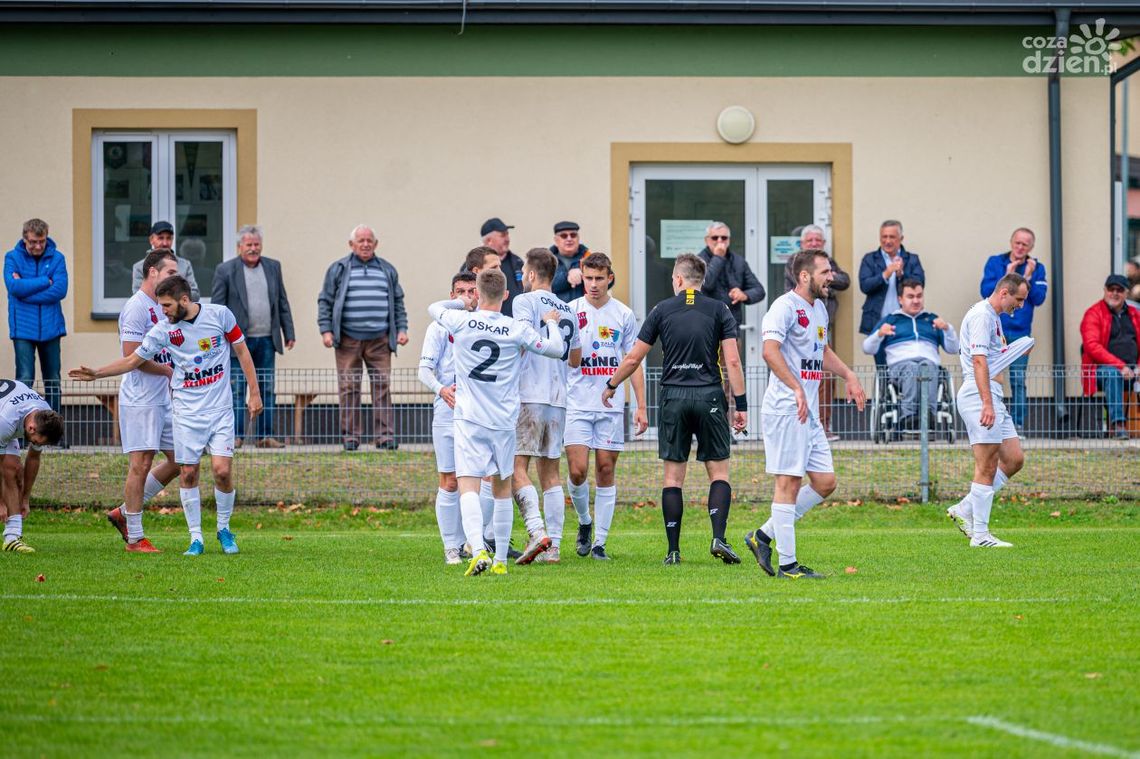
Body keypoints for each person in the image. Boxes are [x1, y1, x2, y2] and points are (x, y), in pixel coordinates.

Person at [70, 275, 263, 556]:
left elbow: (243, 352)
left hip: (220, 410)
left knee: (222, 472)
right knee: (187, 471)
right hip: (185, 411)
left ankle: (224, 529)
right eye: (161, 306)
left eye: (167, 305)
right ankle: (195, 538)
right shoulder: (163, 330)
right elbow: (132, 360)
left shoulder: (220, 315)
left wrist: (254, 393)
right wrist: (97, 373)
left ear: (185, 300)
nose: (163, 311)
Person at [603, 253, 744, 566]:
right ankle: (718, 537)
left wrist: (612, 385)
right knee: (718, 472)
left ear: (678, 280)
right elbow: (732, 361)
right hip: (709, 395)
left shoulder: (662, 310)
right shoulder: (719, 309)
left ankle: (673, 551)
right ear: (701, 280)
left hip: (673, 397)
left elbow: (632, 358)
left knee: (672, 477)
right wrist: (742, 405)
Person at [427, 268, 565, 576]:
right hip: (503, 420)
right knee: (502, 488)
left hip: (469, 417)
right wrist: (552, 324)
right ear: (505, 295)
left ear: (476, 293)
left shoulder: (460, 321)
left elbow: (434, 309)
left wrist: (462, 305)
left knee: (468, 485)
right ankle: (500, 559)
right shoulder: (515, 328)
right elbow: (557, 349)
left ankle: (477, 551)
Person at [745, 249, 866, 579]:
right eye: (826, 272)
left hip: (807, 412)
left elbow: (822, 350)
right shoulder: (783, 308)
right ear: (804, 276)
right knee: (788, 482)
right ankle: (788, 566)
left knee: (825, 482)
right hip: (787, 409)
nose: (832, 277)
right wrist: (796, 388)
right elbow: (769, 351)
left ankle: (763, 536)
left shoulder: (820, 309)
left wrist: (849, 375)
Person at [562, 253, 647, 562]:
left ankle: (599, 542)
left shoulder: (623, 314)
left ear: (610, 277)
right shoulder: (570, 311)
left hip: (610, 406)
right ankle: (585, 520)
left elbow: (633, 360)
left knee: (606, 469)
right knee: (577, 469)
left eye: (599, 278)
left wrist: (640, 405)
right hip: (576, 404)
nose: (594, 284)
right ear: (582, 278)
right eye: (589, 278)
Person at [104, 249, 182, 553]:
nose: (176, 277)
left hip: (163, 398)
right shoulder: (136, 307)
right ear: (153, 272)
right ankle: (135, 538)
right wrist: (165, 370)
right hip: (140, 399)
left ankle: (124, 512)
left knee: (181, 459)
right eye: (170, 272)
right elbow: (131, 355)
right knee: (140, 464)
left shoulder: (162, 306)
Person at [945, 273, 1030, 548]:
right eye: (1019, 299)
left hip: (992, 395)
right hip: (979, 395)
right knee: (987, 464)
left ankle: (965, 509)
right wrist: (987, 403)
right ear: (1004, 292)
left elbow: (993, 359)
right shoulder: (982, 315)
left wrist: (1019, 348)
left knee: (1014, 458)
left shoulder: (993, 317)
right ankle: (980, 535)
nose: (1021, 305)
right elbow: (979, 362)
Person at [511, 248, 582, 563]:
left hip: (529, 393)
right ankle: (552, 549)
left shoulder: (523, 301)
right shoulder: (568, 309)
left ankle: (537, 531)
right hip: (559, 397)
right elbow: (576, 358)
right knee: (550, 473)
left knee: (515, 468)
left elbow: (522, 340)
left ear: (529, 273)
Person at [318, 224, 408, 451]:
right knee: (349, 388)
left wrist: (402, 329)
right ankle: (351, 437)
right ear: (352, 244)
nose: (366, 244)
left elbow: (398, 302)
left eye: (370, 240)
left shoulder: (387, 269)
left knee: (382, 387)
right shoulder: (338, 268)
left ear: (376, 244)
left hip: (380, 341)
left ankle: (385, 437)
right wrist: (326, 330)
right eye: (361, 240)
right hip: (347, 340)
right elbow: (325, 301)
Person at [211, 225, 296, 449]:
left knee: (266, 388)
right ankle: (236, 436)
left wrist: (289, 332)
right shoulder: (226, 270)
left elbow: (282, 302)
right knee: (238, 388)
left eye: (256, 244)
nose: (253, 248)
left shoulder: (272, 267)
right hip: (238, 343)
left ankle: (265, 436)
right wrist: (218, 338)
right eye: (248, 245)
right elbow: (218, 308)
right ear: (240, 247)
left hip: (267, 339)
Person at [419, 272, 478, 565]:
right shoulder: (438, 327)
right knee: (450, 480)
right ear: (451, 295)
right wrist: (441, 389)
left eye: (471, 291)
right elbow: (424, 371)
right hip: (446, 411)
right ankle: (451, 546)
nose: (466, 296)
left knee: (484, 477)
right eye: (460, 291)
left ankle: (475, 541)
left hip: (479, 412)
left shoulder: (485, 325)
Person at [861, 278, 959, 430]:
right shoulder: (891, 319)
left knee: (927, 367)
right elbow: (867, 348)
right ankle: (908, 416)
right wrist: (879, 334)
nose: (916, 301)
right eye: (910, 297)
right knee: (912, 367)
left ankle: (929, 415)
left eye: (919, 296)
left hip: (929, 363)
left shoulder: (931, 319)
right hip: (900, 366)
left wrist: (947, 329)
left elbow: (953, 349)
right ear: (900, 299)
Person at [786, 225, 851, 441]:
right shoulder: (795, 264)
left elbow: (845, 280)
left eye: (818, 241)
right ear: (802, 244)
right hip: (800, 329)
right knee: (802, 373)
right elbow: (800, 287)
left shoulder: (826, 263)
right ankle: (801, 421)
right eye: (810, 240)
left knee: (825, 375)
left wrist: (825, 284)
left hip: (822, 328)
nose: (814, 244)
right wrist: (824, 288)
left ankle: (823, 425)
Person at [980, 228, 1048, 432]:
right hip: (995, 329)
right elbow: (985, 291)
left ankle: (1017, 425)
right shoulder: (995, 262)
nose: (1020, 247)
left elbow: (1039, 298)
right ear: (1011, 242)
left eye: (1025, 245)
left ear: (1031, 247)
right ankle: (990, 422)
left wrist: (1026, 278)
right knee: (991, 376)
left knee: (1018, 380)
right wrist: (1008, 275)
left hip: (1020, 332)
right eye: (1017, 243)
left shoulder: (1037, 268)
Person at [5, 218, 68, 420]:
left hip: (51, 328)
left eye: (42, 241)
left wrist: (25, 291)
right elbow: (13, 288)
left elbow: (60, 290)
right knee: (24, 380)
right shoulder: (12, 257)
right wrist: (44, 281)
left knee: (53, 381)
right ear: (25, 239)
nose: (38, 246)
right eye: (33, 242)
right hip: (23, 329)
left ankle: (54, 433)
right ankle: (21, 434)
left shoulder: (57, 258)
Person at [0, 380, 64, 553]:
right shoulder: (5, 422)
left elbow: (34, 457)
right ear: (31, 427)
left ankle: (12, 538)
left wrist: (25, 498)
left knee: (14, 472)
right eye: (36, 441)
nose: (36, 444)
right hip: (3, 419)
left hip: (8, 418)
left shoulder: (44, 415)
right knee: (7, 469)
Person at [1079, 274, 1140, 440]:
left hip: (1134, 371)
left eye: (1119, 290)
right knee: (1112, 374)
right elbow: (1092, 346)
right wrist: (1121, 366)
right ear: (1105, 291)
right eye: (1111, 289)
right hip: (1100, 371)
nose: (1115, 293)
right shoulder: (1093, 313)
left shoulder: (1135, 314)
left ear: (1126, 293)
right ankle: (1118, 425)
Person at [858, 220, 925, 365]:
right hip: (879, 321)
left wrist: (902, 275)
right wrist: (886, 274)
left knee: (907, 362)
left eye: (892, 237)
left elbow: (919, 284)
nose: (887, 241)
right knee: (882, 368)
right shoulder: (870, 259)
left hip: (905, 321)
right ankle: (883, 388)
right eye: (884, 237)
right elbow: (865, 286)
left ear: (901, 238)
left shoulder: (912, 259)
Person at [130, 221, 200, 300]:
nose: (165, 243)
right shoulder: (139, 267)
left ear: (173, 239)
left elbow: (195, 295)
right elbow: (139, 296)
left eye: (169, 238)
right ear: (151, 240)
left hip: (178, 312)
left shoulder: (185, 265)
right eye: (160, 238)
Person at [479, 218, 525, 316]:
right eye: (503, 235)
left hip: (515, 322)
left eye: (507, 234)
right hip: (487, 323)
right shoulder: (475, 263)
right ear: (489, 240)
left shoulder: (517, 262)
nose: (507, 239)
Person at [551, 221, 591, 302]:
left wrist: (583, 272)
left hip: (584, 312)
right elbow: (542, 285)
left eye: (573, 235)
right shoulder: (546, 260)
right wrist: (567, 277)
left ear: (578, 238)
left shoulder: (588, 256)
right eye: (564, 236)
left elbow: (609, 280)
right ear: (556, 240)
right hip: (556, 312)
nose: (569, 239)